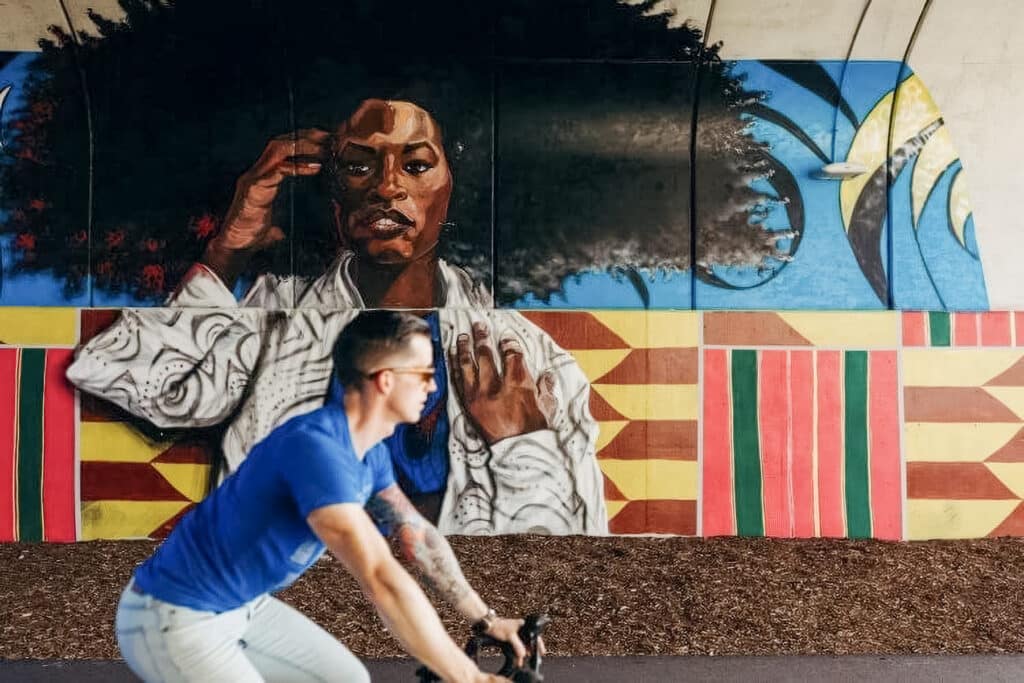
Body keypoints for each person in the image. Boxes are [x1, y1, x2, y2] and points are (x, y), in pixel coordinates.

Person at [67, 98, 607, 535]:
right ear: (335, 202)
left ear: (450, 192)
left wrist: (521, 443)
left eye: (416, 165)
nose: (387, 186)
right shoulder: (276, 318)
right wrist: (228, 248)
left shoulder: (526, 358)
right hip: (292, 609)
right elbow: (127, 379)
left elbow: (571, 557)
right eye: (358, 166)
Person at [115, 311, 534, 682]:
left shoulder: (368, 452)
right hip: (175, 618)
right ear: (386, 380)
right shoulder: (316, 449)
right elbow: (380, 579)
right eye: (424, 373)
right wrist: (466, 677)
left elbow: (417, 538)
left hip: (244, 608)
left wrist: (485, 619)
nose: (432, 384)